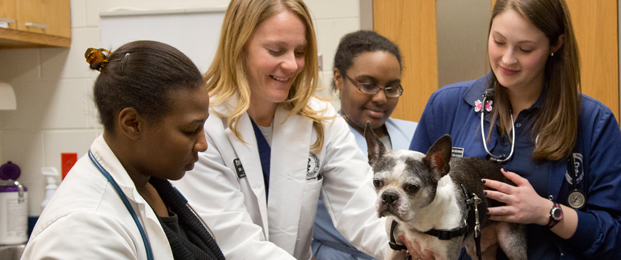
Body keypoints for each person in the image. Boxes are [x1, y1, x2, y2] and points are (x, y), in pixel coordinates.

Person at [409, 0, 621, 258]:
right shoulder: (447, 105)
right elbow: (406, 196)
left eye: (525, 48)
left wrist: (547, 212)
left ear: (556, 44)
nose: (507, 59)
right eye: (499, 42)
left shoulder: (592, 121)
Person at [171, 1, 391, 259]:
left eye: (299, 52)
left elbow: (361, 206)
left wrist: (401, 243)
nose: (292, 65)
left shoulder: (321, 120)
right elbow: (231, 240)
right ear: (239, 47)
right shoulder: (204, 125)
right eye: (276, 51)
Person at [22, 40, 224, 260]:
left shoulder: (151, 187)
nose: (203, 144)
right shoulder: (83, 231)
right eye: (190, 130)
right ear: (132, 124)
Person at [311, 30, 417, 260]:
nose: (381, 98)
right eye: (368, 85)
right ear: (339, 78)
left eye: (391, 88)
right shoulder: (318, 139)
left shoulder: (415, 135)